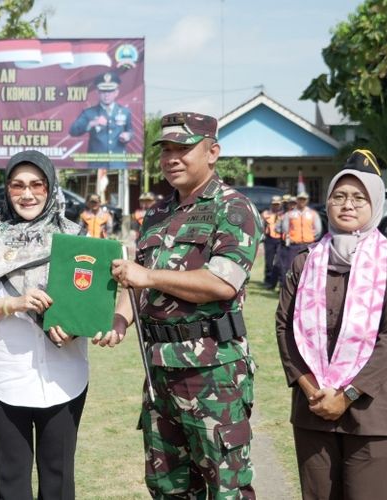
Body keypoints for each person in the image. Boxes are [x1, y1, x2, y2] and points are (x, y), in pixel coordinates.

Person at [98, 112, 261, 498]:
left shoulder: (233, 208)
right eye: (166, 150)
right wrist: (121, 320)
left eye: (183, 148)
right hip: (159, 371)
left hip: (213, 372)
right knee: (168, 486)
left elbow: (222, 282)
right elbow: (134, 282)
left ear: (213, 152)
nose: (172, 158)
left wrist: (149, 277)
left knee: (227, 487)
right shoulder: (156, 213)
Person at [275, 150, 387, 500]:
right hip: (314, 410)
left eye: (359, 197)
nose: (348, 205)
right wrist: (312, 391)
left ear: (376, 204)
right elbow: (285, 328)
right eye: (339, 196)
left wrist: (348, 395)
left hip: (373, 413)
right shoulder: (305, 262)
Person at [0, 150, 88, 499]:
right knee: (11, 481)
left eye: (36, 185)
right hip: (6, 373)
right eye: (17, 185)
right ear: (7, 189)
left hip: (65, 375)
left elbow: (90, 298)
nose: (27, 194)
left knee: (59, 482)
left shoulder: (75, 236)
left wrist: (78, 323)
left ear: (50, 189)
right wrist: (12, 304)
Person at [69, 71, 133, 168]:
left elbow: (130, 131)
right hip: (97, 165)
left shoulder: (125, 112)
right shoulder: (89, 112)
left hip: (118, 164)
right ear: (97, 92)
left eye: (110, 91)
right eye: (103, 91)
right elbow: (73, 131)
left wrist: (128, 135)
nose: (106, 95)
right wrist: (92, 123)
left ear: (116, 92)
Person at [279, 191, 322, 285]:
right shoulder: (289, 214)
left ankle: (307, 286)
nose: (302, 201)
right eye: (300, 199)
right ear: (297, 200)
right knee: (290, 267)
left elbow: (318, 230)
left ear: (307, 200)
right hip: (293, 246)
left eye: (304, 199)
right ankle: (289, 287)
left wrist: (309, 238)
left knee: (309, 267)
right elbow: (285, 229)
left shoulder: (313, 214)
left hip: (309, 245)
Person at [261, 195, 285, 289]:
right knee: (269, 261)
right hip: (269, 239)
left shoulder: (284, 214)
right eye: (274, 204)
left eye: (277, 204)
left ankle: (278, 280)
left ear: (281, 205)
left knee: (279, 261)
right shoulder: (265, 213)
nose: (276, 206)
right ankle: (268, 279)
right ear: (271, 204)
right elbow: (260, 225)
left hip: (280, 239)